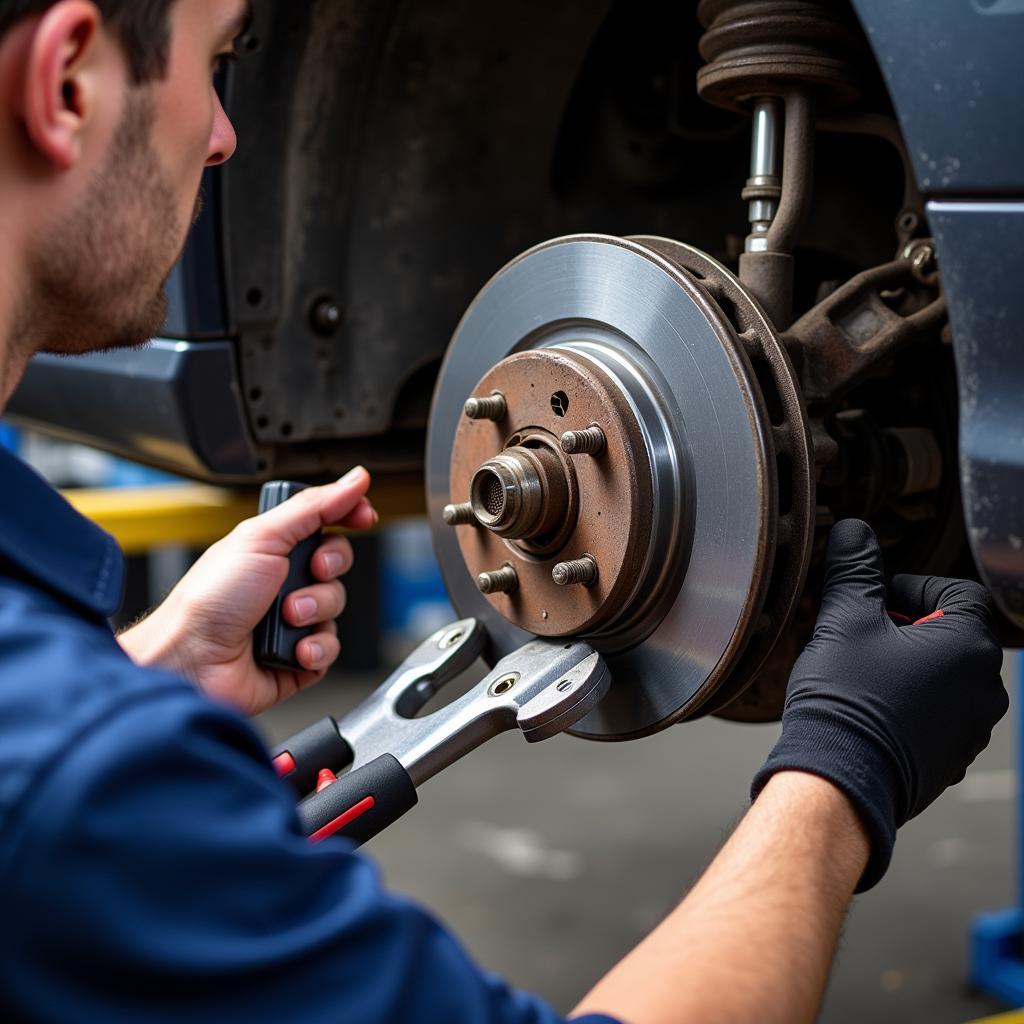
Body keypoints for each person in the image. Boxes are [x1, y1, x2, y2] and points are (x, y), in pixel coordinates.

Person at [0, 2, 1009, 1022]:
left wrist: (156, 666)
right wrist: (843, 768)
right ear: (67, 83)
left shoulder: (54, 722)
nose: (223, 135)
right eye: (213, 67)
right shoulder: (75, 780)